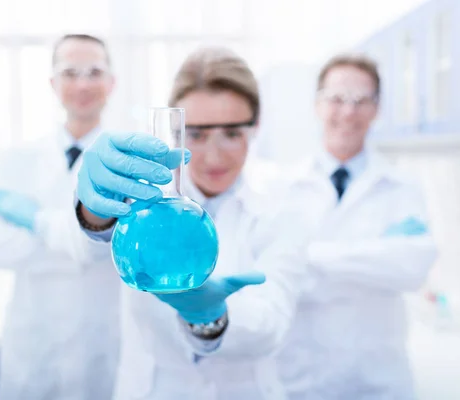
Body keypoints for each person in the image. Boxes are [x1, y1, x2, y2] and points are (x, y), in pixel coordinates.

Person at [73, 47, 309, 399]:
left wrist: (212, 316)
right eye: (196, 134)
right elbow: (87, 250)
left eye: (231, 133)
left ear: (255, 127)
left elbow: (272, 323)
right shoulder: (142, 198)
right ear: (176, 134)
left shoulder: (284, 204)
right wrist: (96, 210)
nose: (213, 155)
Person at [274, 53, 438, 399]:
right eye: (336, 99)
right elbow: (281, 273)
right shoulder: (281, 187)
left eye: (361, 101)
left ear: (377, 109)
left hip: (378, 381)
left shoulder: (403, 186)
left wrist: (311, 256)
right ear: (318, 105)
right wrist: (371, 261)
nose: (348, 112)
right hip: (300, 380)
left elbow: (411, 269)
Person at [0, 34, 119, 399]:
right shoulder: (16, 159)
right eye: (70, 72)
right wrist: (77, 239)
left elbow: (108, 250)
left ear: (111, 82)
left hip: (105, 346)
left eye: (94, 72)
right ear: (52, 84)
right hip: (34, 348)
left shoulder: (122, 162)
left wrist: (36, 221)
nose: (83, 83)